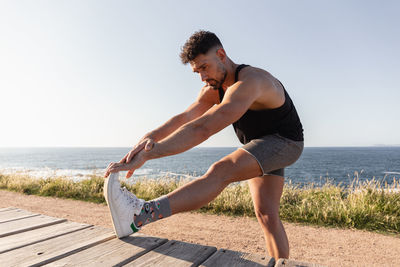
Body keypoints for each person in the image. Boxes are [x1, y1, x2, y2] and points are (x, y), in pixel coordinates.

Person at [104, 30, 304, 259]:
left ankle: (140, 215)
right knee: (266, 214)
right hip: (259, 145)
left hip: (285, 142)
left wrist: (151, 154)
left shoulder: (251, 82)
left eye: (204, 67)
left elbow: (203, 128)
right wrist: (145, 142)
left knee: (222, 170)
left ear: (221, 54)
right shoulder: (214, 88)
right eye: (196, 71)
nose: (201, 77)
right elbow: (185, 118)